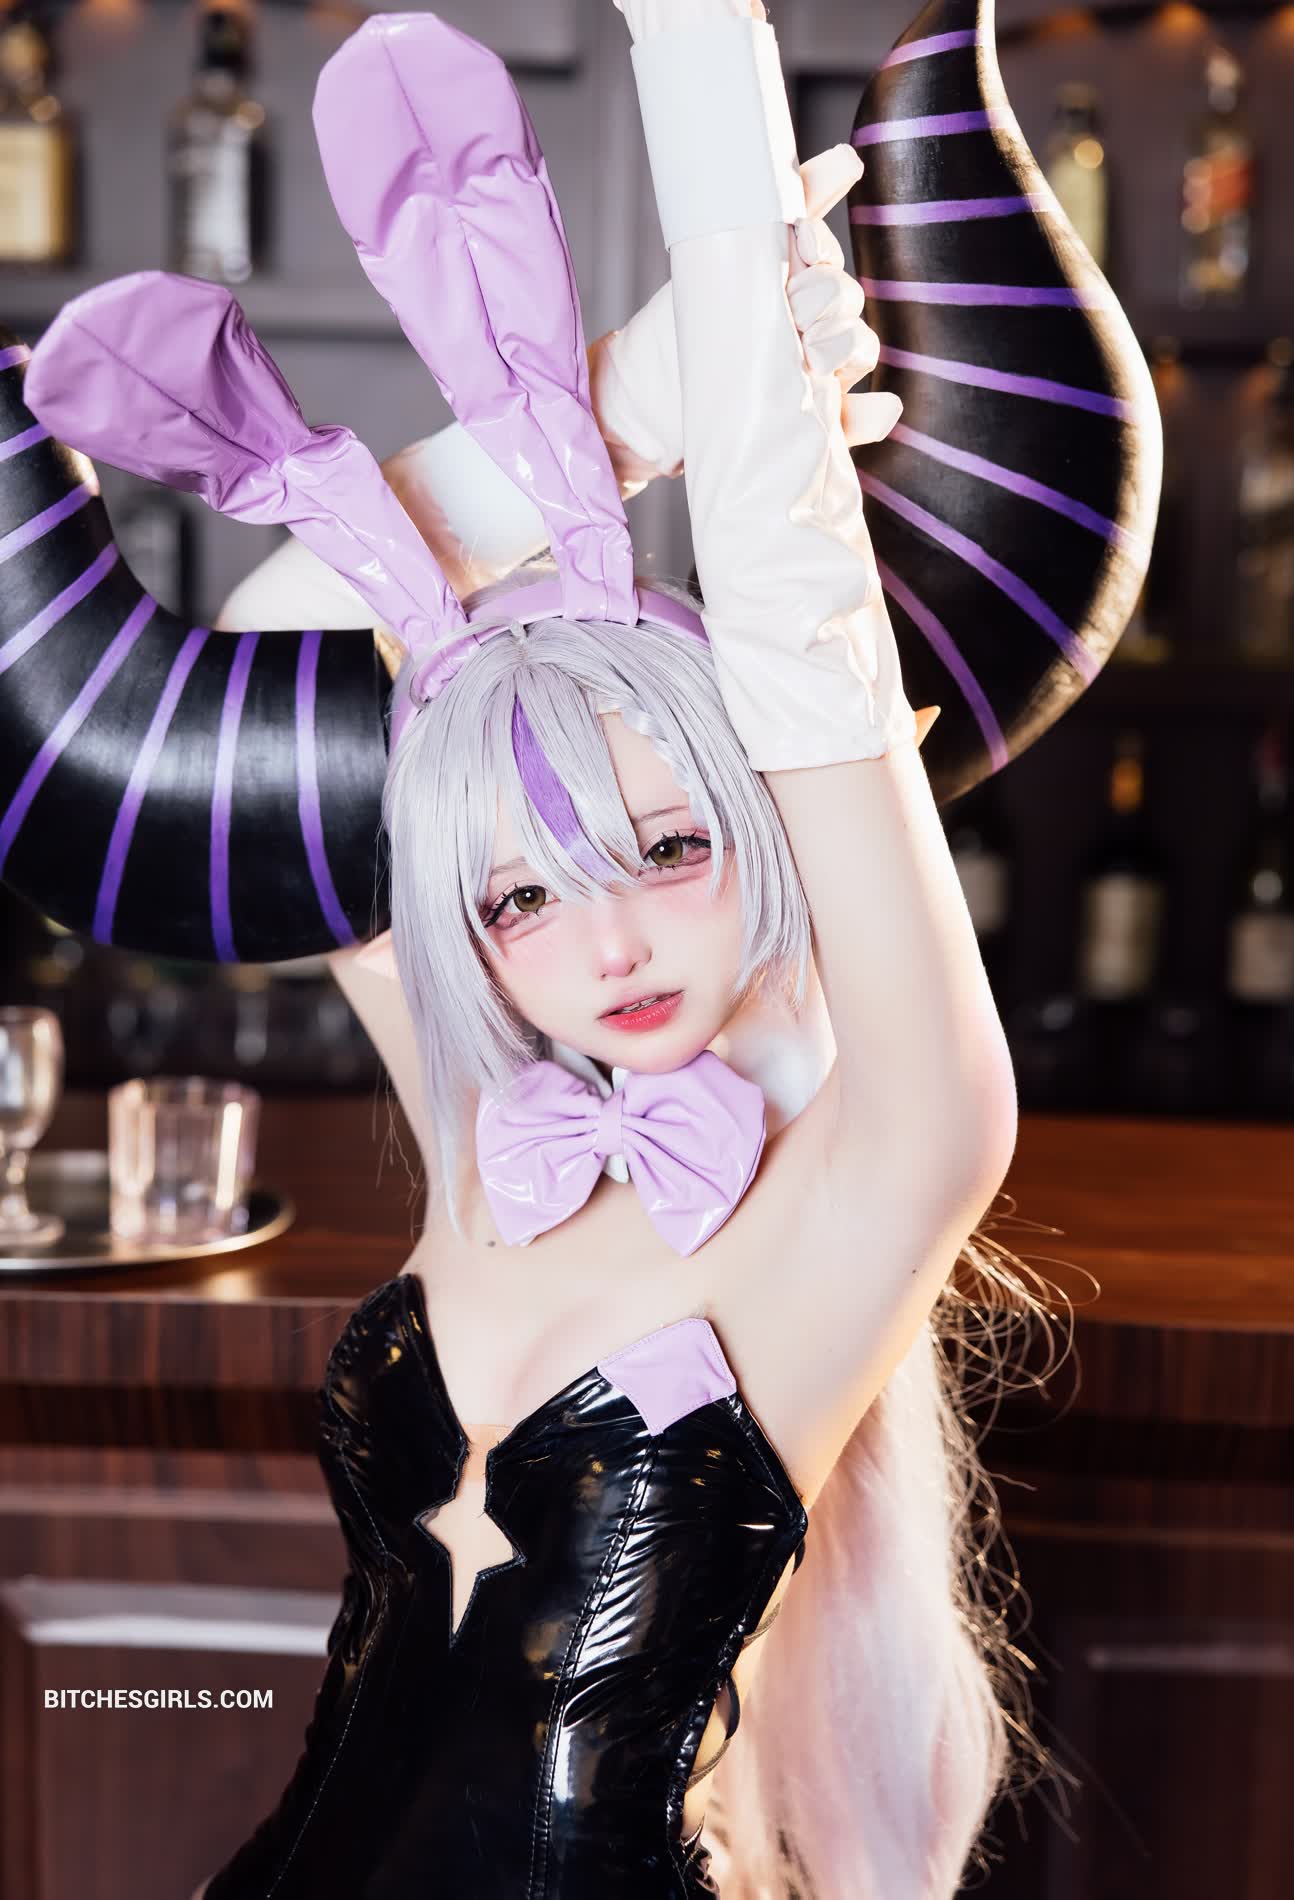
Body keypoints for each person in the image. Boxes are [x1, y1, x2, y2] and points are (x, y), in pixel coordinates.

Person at [9, 1, 1144, 1892]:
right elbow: (295, 643)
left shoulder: (874, 1170)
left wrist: (701, 75)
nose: (601, 942)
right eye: (518, 896)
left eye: (669, 847)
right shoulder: (489, 1129)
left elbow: (808, 659)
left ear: (763, 825)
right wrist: (633, 400)